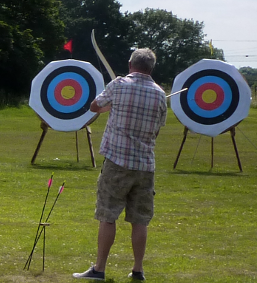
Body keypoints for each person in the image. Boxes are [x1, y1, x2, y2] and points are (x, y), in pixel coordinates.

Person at [73, 48, 166, 281]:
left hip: (117, 161)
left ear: (130, 64)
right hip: (145, 165)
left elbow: (95, 105)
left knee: (108, 215)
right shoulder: (159, 93)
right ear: (151, 68)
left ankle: (99, 268)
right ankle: (137, 270)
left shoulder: (119, 84)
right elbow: (157, 128)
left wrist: (110, 107)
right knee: (140, 219)